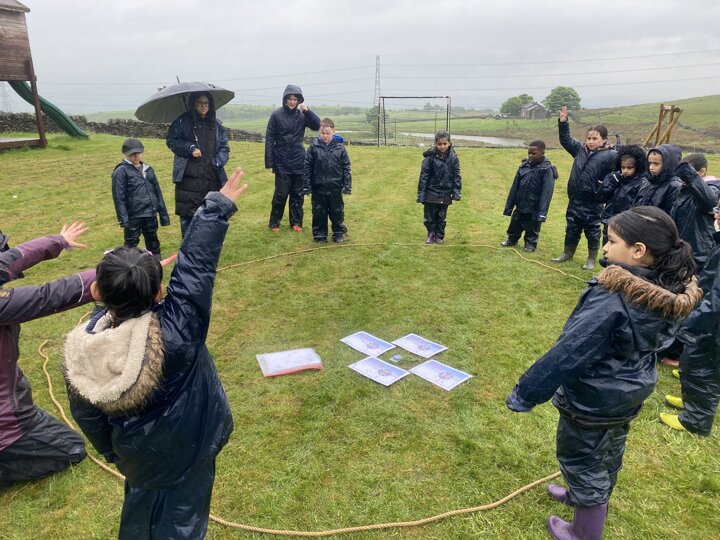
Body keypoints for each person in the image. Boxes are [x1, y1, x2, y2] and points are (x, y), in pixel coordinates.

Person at [63, 166, 247, 539]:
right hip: (192, 453)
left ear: (96, 293)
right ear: (160, 293)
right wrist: (215, 208)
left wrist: (116, 454)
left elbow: (87, 416)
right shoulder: (178, 330)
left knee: (140, 514)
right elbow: (195, 268)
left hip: (137, 459)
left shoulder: (83, 351)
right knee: (183, 521)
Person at [506, 206, 700, 540]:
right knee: (608, 452)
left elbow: (570, 351)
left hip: (594, 399)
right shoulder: (668, 291)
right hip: (627, 392)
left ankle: (583, 530)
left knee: (582, 460)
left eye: (611, 241)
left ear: (638, 251)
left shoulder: (612, 300)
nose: (605, 248)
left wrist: (525, 393)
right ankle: (583, 497)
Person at [0, 223, 94, 488]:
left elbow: (14, 257)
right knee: (71, 449)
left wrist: (59, 240)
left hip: (11, 396)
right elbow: (47, 297)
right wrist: (115, 274)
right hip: (5, 421)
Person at [661, 210, 720, 436]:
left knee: (700, 368)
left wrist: (691, 325)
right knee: (697, 365)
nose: (716, 215)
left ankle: (696, 420)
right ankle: (692, 403)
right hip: (709, 317)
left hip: (712, 324)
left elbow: (716, 301)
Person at [552, 106, 617, 270]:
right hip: (575, 199)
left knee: (592, 231)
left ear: (604, 139)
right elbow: (566, 139)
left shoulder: (611, 155)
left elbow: (616, 174)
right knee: (571, 228)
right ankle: (567, 253)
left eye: (595, 138)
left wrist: (604, 185)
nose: (590, 141)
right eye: (589, 138)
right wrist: (563, 122)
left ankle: (591, 259)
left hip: (593, 202)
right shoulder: (579, 149)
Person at [167, 91, 230, 237]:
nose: (203, 106)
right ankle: (188, 246)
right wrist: (189, 148)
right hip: (189, 178)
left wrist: (217, 162)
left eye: (206, 103)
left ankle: (206, 244)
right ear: (193, 104)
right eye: (200, 102)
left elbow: (224, 148)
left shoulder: (216, 125)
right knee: (188, 216)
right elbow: (172, 141)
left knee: (211, 214)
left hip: (211, 176)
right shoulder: (182, 122)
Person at [265, 84, 321, 232]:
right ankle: (274, 223)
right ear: (285, 99)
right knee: (281, 193)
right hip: (281, 159)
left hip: (299, 159)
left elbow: (317, 125)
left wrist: (307, 111)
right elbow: (270, 138)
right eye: (289, 99)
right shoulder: (276, 115)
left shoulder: (302, 115)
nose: (292, 102)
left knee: (297, 193)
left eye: (295, 99)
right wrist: (269, 161)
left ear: (299, 100)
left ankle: (296, 222)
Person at [111, 138, 170, 257]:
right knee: (131, 244)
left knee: (153, 240)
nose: (136, 156)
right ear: (125, 154)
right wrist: (124, 219)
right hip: (134, 215)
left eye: (138, 153)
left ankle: (155, 263)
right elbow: (119, 197)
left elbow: (157, 192)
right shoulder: (121, 171)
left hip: (150, 212)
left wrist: (163, 215)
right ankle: (128, 265)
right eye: (132, 154)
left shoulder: (148, 169)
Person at [501, 140, 557, 252]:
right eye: (529, 153)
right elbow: (514, 187)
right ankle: (512, 239)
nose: (530, 155)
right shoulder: (523, 166)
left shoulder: (546, 169)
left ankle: (530, 244)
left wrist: (542, 213)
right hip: (521, 203)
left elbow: (547, 193)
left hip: (534, 206)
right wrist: (509, 207)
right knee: (515, 223)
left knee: (532, 227)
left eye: (534, 153)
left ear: (542, 153)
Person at [303, 118, 352, 243]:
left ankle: (338, 233)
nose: (325, 136)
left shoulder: (340, 148)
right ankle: (320, 234)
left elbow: (346, 167)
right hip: (318, 187)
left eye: (328, 133)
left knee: (337, 211)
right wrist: (307, 186)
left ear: (334, 132)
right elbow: (307, 167)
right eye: (322, 133)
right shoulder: (314, 147)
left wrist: (347, 186)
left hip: (335, 186)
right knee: (319, 212)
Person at [671, 161, 719, 273]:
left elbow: (710, 201)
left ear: (702, 172)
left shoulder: (712, 189)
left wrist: (688, 174)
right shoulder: (682, 191)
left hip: (699, 255)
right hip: (681, 251)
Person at [416, 131, 462, 244]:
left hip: (446, 191)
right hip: (431, 191)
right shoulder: (430, 158)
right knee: (429, 215)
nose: (442, 146)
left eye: (445, 144)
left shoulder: (454, 158)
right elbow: (424, 176)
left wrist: (456, 191)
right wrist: (421, 194)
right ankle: (431, 234)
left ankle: (439, 236)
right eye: (439, 144)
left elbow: (456, 175)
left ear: (449, 143)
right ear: (435, 144)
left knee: (441, 216)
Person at [596, 144, 647, 246]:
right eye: (623, 167)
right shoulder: (616, 178)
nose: (625, 170)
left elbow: (638, 206)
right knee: (607, 248)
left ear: (637, 166)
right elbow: (600, 197)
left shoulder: (642, 183)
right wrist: (610, 182)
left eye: (629, 167)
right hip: (609, 221)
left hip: (625, 225)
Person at [631, 144, 682, 216]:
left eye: (656, 164)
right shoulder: (648, 181)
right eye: (649, 163)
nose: (651, 167)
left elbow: (670, 215)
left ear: (667, 164)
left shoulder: (674, 186)